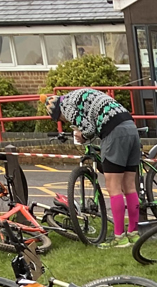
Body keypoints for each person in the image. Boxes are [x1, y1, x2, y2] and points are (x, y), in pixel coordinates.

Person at [45, 88, 141, 248]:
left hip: (114, 133)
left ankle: (120, 238)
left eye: (59, 119)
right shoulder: (77, 95)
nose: (63, 120)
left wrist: (82, 136)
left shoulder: (66, 106)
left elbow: (88, 129)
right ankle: (134, 233)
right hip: (130, 127)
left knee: (113, 186)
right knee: (129, 186)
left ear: (57, 112)